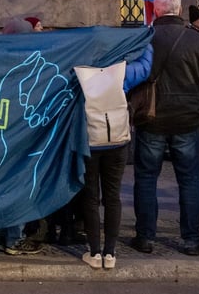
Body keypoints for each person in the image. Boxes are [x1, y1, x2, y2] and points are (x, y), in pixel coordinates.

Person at [130, 0, 199, 257]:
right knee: (190, 180)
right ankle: (192, 240)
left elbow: (131, 77)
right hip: (188, 120)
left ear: (156, 11)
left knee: (146, 179)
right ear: (179, 11)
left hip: (151, 118)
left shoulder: (144, 39)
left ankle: (145, 237)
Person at [80, 43, 152, 270]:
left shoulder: (80, 73)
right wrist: (146, 39)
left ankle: (94, 252)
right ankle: (109, 253)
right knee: (113, 196)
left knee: (90, 198)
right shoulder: (122, 72)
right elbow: (146, 67)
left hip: (90, 141)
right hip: (118, 141)